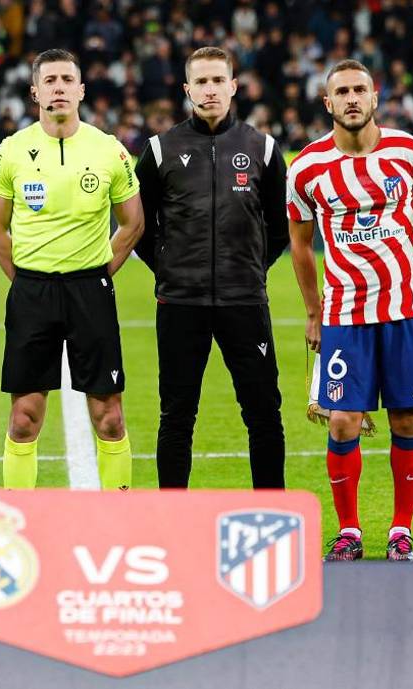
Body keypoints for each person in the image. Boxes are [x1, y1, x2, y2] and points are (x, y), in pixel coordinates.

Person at [286, 59, 413, 562]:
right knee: (342, 423)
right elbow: (300, 244)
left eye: (360, 90)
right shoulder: (306, 168)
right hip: (344, 315)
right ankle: (350, 530)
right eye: (341, 92)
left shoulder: (411, 152)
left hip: (405, 309)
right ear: (327, 103)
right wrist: (313, 311)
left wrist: (400, 257)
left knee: (407, 418)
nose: (352, 99)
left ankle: (401, 531)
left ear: (375, 97)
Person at [0, 48, 144, 490]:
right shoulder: (10, 151)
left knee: (109, 418)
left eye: (66, 80)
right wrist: (27, 280)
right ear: (35, 91)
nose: (58, 88)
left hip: (90, 290)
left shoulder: (109, 150)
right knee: (23, 419)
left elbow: (133, 224)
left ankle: (117, 521)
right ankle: (20, 523)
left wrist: (97, 273)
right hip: (32, 292)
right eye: (49, 80)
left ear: (81, 90)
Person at [133, 46, 288, 489]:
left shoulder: (263, 148)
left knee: (263, 414)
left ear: (233, 86)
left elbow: (279, 228)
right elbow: (140, 226)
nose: (210, 89)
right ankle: (172, 517)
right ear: (187, 89)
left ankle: (271, 511)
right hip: (181, 302)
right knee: (177, 416)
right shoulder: (160, 150)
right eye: (200, 82)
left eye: (218, 80)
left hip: (245, 301)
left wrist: (251, 270)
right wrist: (168, 268)